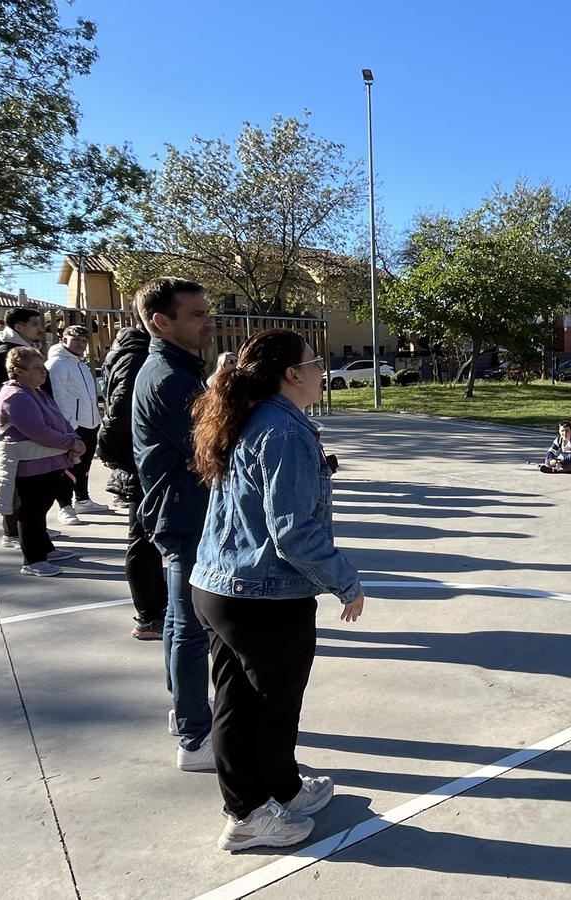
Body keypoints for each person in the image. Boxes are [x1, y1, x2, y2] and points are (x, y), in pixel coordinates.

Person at [189, 328, 364, 851]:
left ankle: (282, 791)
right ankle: (245, 814)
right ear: (292, 374)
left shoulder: (258, 418)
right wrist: (345, 581)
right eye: (315, 362)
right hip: (260, 596)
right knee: (265, 708)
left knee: (245, 703)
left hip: (225, 587)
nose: (321, 371)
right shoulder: (284, 431)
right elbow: (292, 531)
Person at [132, 277, 217, 773]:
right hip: (184, 514)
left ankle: (185, 713)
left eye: (207, 311)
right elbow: (213, 449)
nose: (209, 321)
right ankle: (194, 737)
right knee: (190, 627)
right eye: (197, 315)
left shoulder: (178, 370)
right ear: (161, 323)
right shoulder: (168, 378)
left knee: (178, 621)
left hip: (180, 509)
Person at [97, 324, 168, 640]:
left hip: (135, 457)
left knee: (148, 539)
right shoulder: (138, 356)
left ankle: (157, 605)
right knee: (141, 539)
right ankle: (148, 616)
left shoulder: (125, 355)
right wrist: (108, 449)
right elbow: (122, 407)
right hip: (137, 460)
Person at [0, 347, 83, 576]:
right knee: (31, 513)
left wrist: (74, 438)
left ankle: (45, 549)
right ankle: (33, 561)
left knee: (41, 509)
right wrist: (71, 444)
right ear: (17, 371)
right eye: (36, 368)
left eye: (43, 367)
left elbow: (59, 421)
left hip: (48, 462)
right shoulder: (15, 396)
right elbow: (38, 432)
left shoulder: (37, 391)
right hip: (30, 465)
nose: (43, 372)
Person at [47, 325, 107, 526]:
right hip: (74, 426)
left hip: (89, 423)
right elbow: (58, 398)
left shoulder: (80, 364)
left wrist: (95, 421)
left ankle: (83, 499)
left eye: (84, 341)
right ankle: (65, 506)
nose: (81, 345)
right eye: (76, 340)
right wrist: (69, 426)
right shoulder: (57, 364)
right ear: (64, 340)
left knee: (86, 464)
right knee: (70, 466)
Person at [0, 307, 51, 406]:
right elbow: (2, 395)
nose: (41, 329)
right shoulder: (4, 354)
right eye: (35, 325)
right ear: (19, 328)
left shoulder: (31, 350)